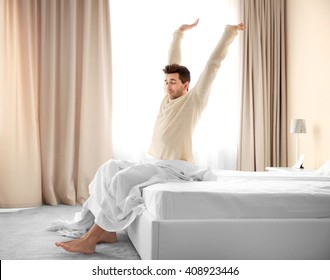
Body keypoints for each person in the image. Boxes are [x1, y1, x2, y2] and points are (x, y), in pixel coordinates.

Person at [54, 19, 245, 254]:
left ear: (186, 85)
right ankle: (108, 231)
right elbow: (173, 62)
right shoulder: (167, 99)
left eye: (173, 82)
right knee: (108, 168)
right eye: (166, 82)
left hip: (175, 167)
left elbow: (212, 65)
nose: (167, 86)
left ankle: (92, 238)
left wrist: (230, 32)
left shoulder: (194, 101)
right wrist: (178, 34)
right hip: (155, 162)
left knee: (122, 180)